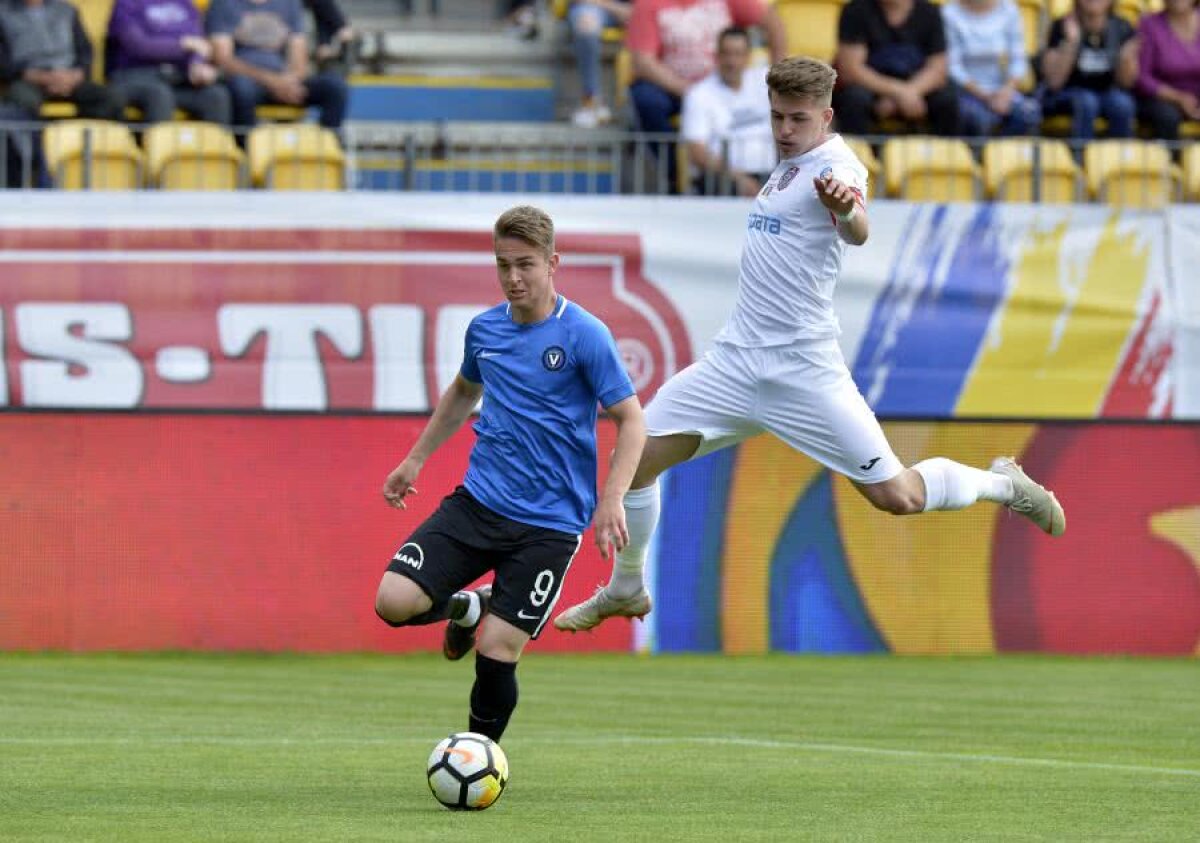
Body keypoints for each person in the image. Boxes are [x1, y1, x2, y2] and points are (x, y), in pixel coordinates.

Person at [553, 56, 1066, 634]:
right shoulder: (786, 168)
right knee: (636, 459)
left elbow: (857, 225)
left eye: (797, 120)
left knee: (896, 495)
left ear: (826, 115)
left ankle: (1002, 482)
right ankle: (627, 588)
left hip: (804, 372)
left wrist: (846, 208)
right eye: (776, 117)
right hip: (736, 363)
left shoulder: (838, 164)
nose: (784, 131)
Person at [374, 206, 647, 742]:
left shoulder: (584, 334)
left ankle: (478, 757)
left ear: (553, 263)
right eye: (503, 265)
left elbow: (631, 419)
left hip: (548, 527)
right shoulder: (486, 329)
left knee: (498, 649)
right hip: (478, 504)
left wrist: (611, 499)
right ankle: (467, 606)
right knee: (394, 602)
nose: (513, 278)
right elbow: (463, 392)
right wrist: (415, 459)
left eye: (525, 265)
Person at [625, 0, 787, 137]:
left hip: (725, 84)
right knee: (646, 99)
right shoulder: (647, 4)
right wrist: (693, 92)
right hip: (671, 91)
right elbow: (643, 62)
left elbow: (773, 24)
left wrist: (777, 78)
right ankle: (672, 170)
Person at [206, 0, 349, 132]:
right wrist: (272, 82)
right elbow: (223, 59)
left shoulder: (289, 3)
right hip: (249, 81)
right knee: (241, 88)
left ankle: (325, 150)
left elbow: (299, 56)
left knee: (334, 87)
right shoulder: (224, 3)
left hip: (284, 82)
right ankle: (246, 150)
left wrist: (289, 81)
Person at [832, 0, 958, 135]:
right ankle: (857, 153)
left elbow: (938, 68)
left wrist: (910, 93)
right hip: (873, 87)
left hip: (917, 87)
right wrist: (898, 93)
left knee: (948, 99)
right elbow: (852, 70)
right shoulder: (856, 10)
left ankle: (944, 154)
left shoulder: (930, 12)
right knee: (854, 99)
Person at [680, 26, 775, 196]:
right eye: (726, 54)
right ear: (716, 56)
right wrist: (738, 179)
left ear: (748, 57)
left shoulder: (765, 83)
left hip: (770, 174)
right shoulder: (699, 94)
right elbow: (697, 152)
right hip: (722, 178)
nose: (732, 62)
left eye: (738, 54)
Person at [105, 0, 232, 125]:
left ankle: (213, 145)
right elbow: (138, 46)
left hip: (176, 78)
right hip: (133, 75)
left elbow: (199, 43)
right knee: (160, 95)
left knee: (216, 96)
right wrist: (183, 45)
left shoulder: (184, 4)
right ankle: (155, 145)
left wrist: (196, 64)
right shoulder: (127, 3)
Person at [0, 0, 123, 121]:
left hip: (68, 77)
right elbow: (4, 60)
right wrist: (33, 76)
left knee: (110, 98)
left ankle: (81, 139)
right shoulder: (3, 12)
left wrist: (76, 75)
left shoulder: (66, 10)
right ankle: (32, 141)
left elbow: (84, 50)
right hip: (28, 79)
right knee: (21, 101)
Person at [1040, 0, 1137, 140]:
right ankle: (1081, 157)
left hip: (1107, 92)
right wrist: (1071, 42)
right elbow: (1054, 82)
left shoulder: (1122, 27)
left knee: (1123, 104)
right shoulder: (1062, 25)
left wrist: (1125, 60)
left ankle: (1120, 159)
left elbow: (1126, 84)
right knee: (1086, 102)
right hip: (1067, 93)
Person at [942, 0, 1040, 136]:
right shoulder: (949, 13)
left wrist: (1006, 92)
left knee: (1029, 113)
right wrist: (985, 96)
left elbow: (1018, 60)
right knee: (977, 119)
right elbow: (953, 67)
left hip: (1003, 92)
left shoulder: (1009, 9)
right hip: (966, 93)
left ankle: (1007, 155)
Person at [1136, 0, 1200, 140]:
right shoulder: (1149, 25)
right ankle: (1170, 160)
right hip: (1162, 98)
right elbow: (1143, 77)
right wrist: (1179, 98)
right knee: (1167, 116)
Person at [568, 0, 630, 128]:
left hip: (641, 7)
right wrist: (616, 8)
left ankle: (635, 105)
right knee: (586, 21)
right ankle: (591, 99)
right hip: (592, 6)